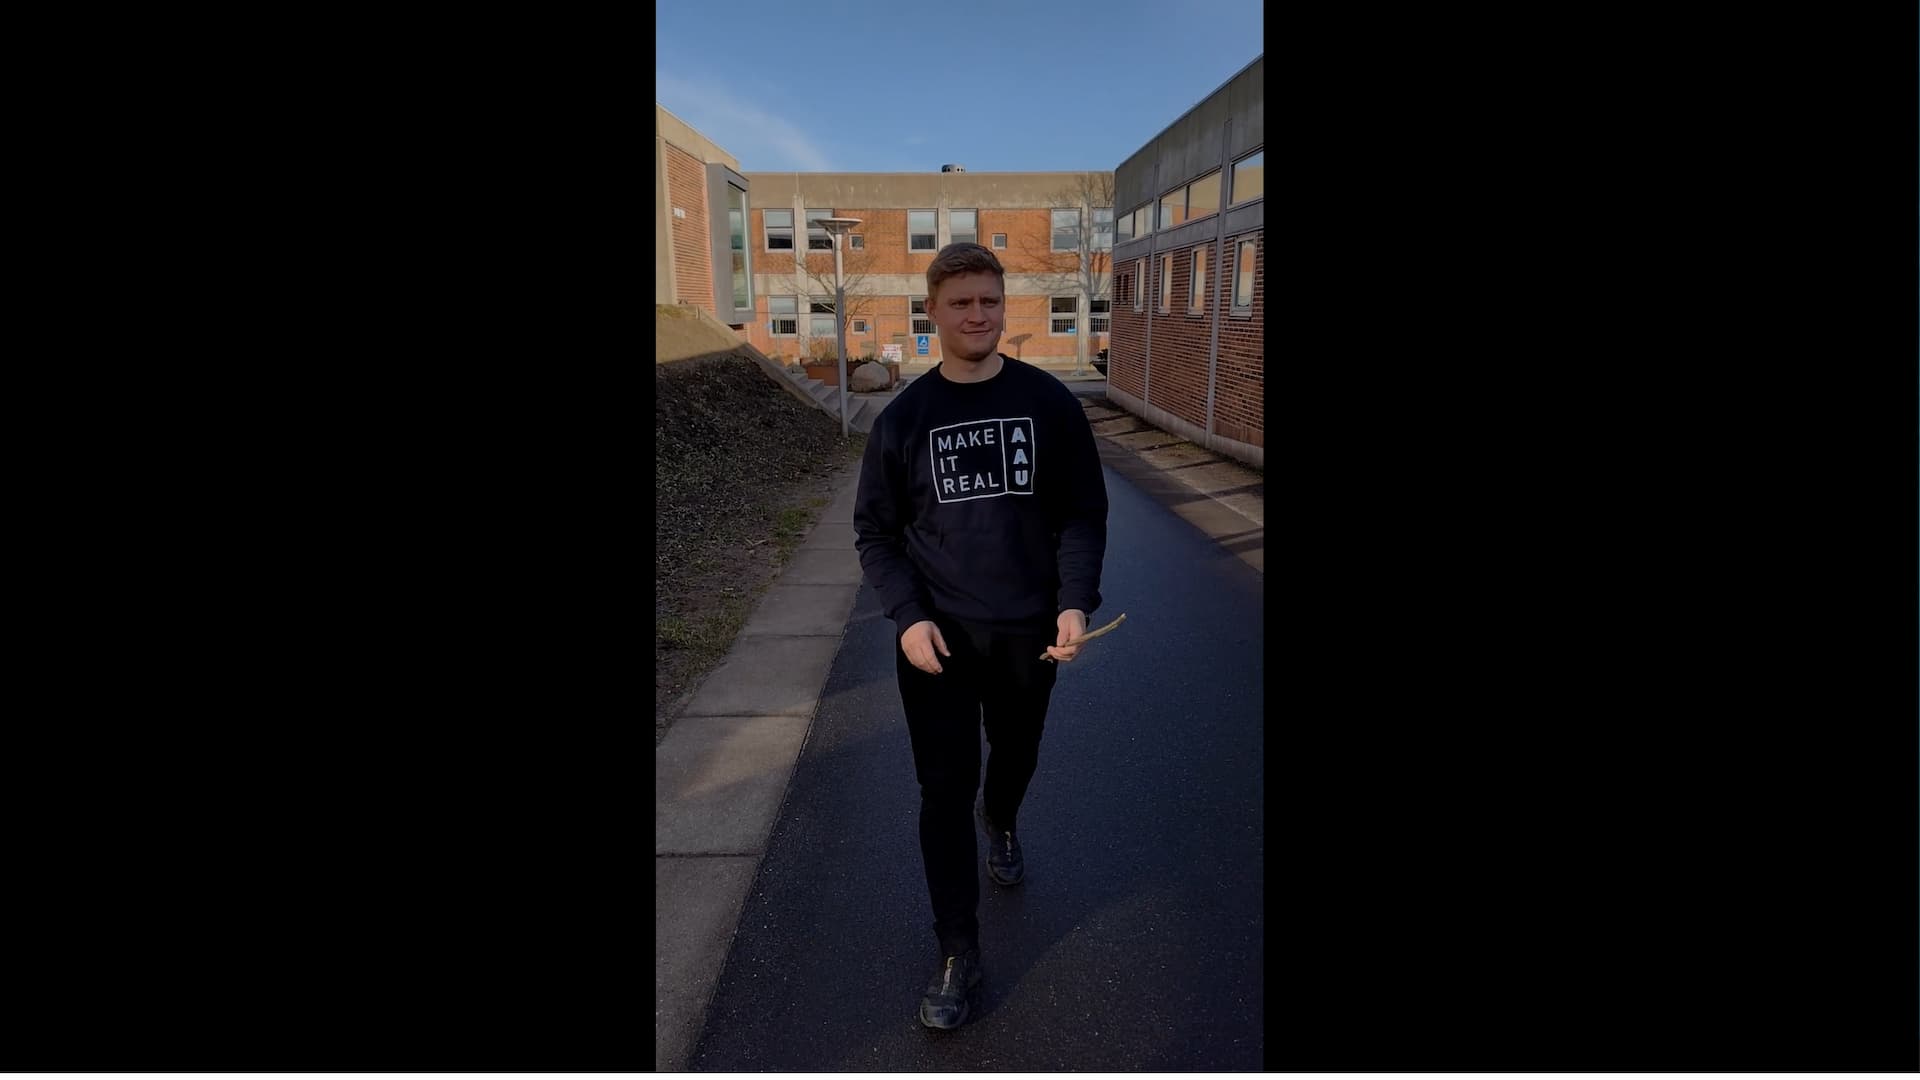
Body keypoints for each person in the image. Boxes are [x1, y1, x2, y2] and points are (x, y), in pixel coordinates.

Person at [852, 242, 1110, 1030]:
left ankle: (1001, 817)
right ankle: (957, 951)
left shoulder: (1049, 404)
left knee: (1017, 753)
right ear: (933, 312)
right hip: (937, 641)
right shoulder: (903, 421)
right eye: (960, 302)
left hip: (1029, 633)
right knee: (942, 789)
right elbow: (876, 534)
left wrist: (1074, 602)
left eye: (989, 301)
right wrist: (908, 616)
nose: (977, 315)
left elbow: (1082, 513)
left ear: (1004, 306)